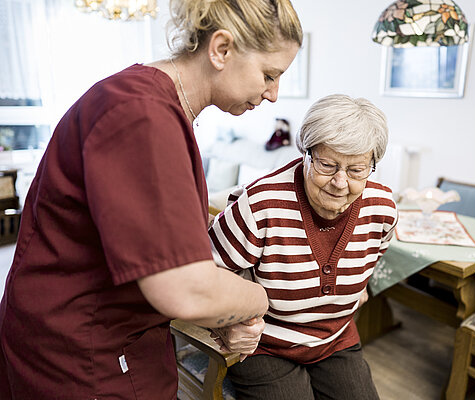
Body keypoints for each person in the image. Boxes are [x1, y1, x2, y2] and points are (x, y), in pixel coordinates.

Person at [0, 0, 302, 398]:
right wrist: (257, 299)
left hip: (108, 338)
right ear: (221, 49)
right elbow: (184, 288)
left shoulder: (154, 104)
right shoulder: (142, 114)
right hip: (84, 354)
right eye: (269, 74)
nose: (274, 94)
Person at [208, 94, 398, 399]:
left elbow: (373, 254)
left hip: (335, 338)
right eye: (327, 164)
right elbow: (205, 275)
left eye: (356, 170)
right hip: (264, 345)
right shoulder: (261, 205)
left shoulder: (383, 208)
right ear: (306, 153)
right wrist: (226, 326)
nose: (340, 182)